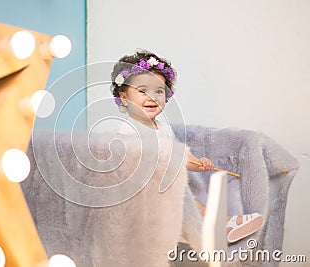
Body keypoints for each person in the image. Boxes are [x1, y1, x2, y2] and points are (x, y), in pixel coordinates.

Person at [110, 50, 264, 243]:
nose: (152, 97)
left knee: (190, 199)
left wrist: (197, 163)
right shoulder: (128, 130)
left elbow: (178, 155)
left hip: (166, 187)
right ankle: (223, 225)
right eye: (142, 91)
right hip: (142, 193)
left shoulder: (163, 127)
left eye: (159, 91)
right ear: (124, 97)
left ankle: (221, 225)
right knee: (182, 198)